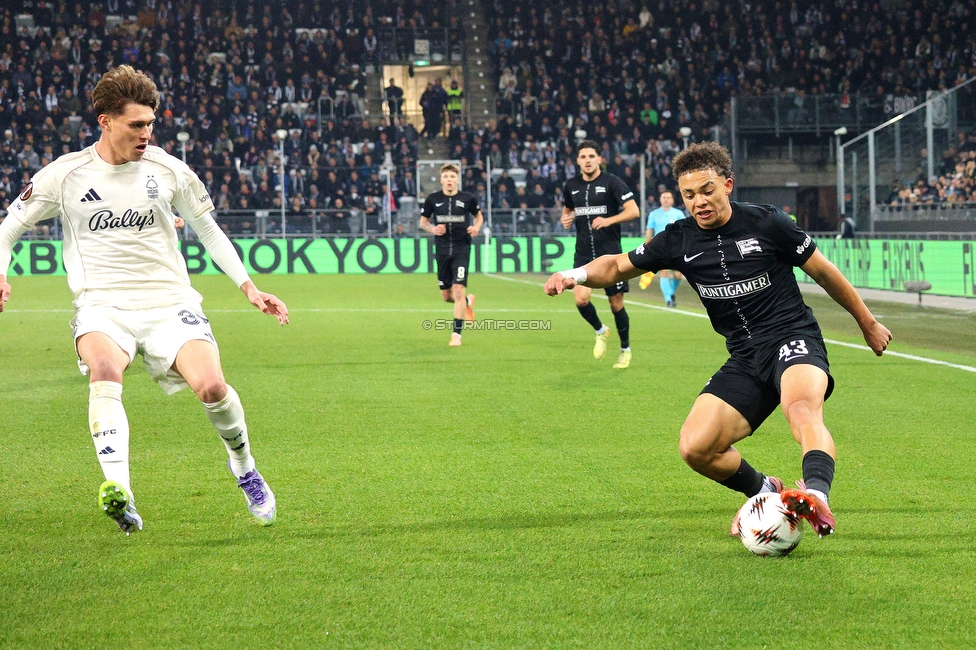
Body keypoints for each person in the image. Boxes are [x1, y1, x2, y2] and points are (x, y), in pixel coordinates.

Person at [544, 142, 892, 539]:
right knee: (695, 447)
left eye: (707, 190)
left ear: (727, 184)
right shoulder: (677, 239)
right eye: (689, 195)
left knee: (800, 409)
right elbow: (617, 264)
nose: (699, 201)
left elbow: (824, 272)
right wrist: (576, 275)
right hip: (743, 355)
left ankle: (816, 496)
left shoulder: (769, 223)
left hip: (791, 338)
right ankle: (767, 491)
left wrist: (867, 323)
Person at [0, 66, 289, 536]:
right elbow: (7, 229)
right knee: (105, 370)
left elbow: (208, 230)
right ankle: (121, 493)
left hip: (169, 301)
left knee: (213, 388)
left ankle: (245, 469)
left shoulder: (169, 170)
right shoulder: (64, 176)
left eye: (151, 123)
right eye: (137, 125)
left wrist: (249, 287)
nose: (147, 134)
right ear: (105, 121)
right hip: (102, 304)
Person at [560, 140, 640, 369]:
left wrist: (609, 220)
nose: (587, 160)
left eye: (591, 156)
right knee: (580, 299)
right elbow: (568, 211)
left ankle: (625, 350)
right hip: (583, 253)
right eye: (583, 156)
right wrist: (566, 219)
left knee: (616, 303)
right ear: (578, 161)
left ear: (599, 159)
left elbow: (634, 211)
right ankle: (600, 330)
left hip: (610, 254)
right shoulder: (571, 185)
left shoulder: (612, 182)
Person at [419, 163, 483, 346]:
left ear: (457, 179)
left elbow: (479, 216)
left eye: (453, 177)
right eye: (446, 177)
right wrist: (432, 228)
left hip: (462, 248)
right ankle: (468, 302)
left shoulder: (468, 198)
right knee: (447, 296)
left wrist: (476, 227)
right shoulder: (432, 199)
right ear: (441, 179)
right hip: (441, 249)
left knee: (458, 289)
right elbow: (423, 222)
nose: (449, 180)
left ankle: (457, 335)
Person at [641, 189, 685, 305]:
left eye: (668, 197)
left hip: (676, 248)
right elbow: (649, 230)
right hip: (660, 248)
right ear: (660, 199)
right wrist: (647, 245)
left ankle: (670, 293)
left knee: (678, 275)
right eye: (664, 197)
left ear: (672, 200)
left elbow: (683, 231)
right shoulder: (654, 214)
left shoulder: (678, 214)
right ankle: (669, 300)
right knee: (664, 272)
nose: (666, 200)